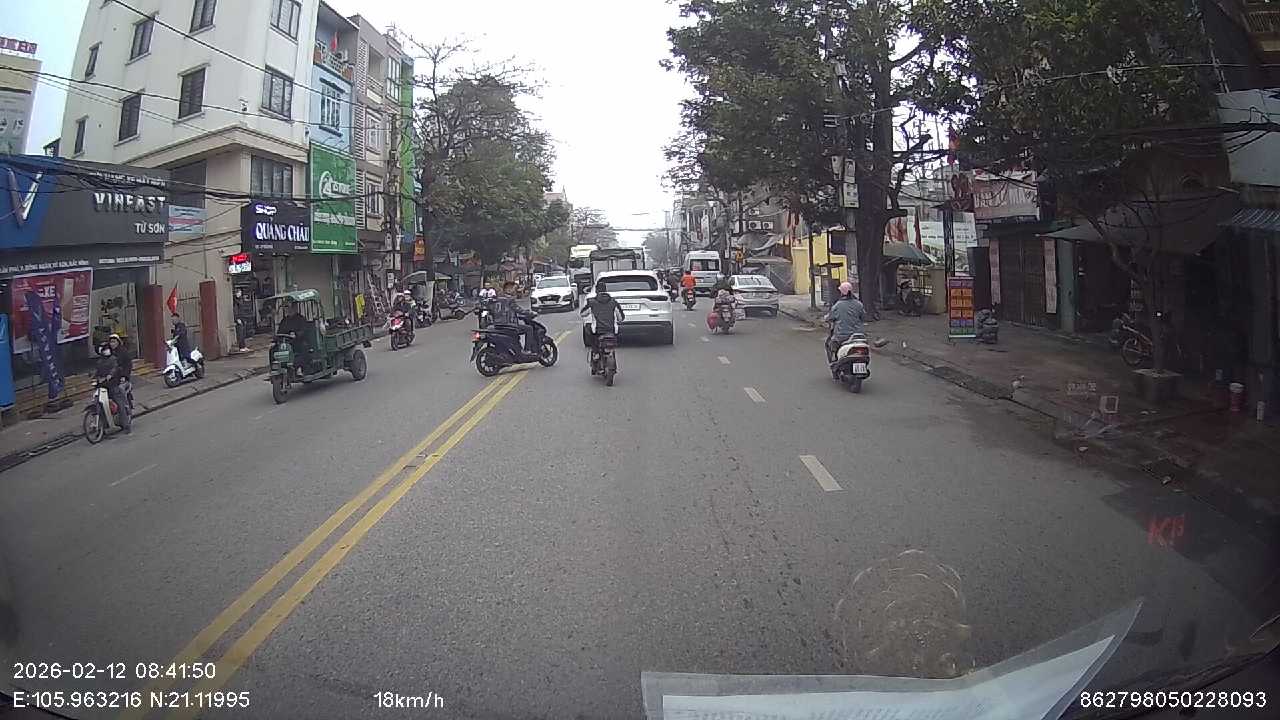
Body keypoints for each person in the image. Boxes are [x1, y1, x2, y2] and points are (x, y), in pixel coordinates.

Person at [490, 281, 537, 351]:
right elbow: (519, 310)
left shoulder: (497, 299)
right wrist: (530, 313)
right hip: (509, 325)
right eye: (514, 289)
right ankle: (527, 350)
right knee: (529, 329)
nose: (515, 291)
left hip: (497, 325)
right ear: (508, 289)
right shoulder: (509, 300)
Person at [824, 281, 867, 356]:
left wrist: (826, 318)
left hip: (842, 336)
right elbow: (863, 317)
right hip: (858, 335)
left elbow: (829, 317)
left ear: (841, 293)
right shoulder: (859, 304)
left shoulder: (838, 305)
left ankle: (835, 359)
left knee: (831, 344)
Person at [582, 281, 625, 353]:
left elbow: (583, 314)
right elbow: (621, 318)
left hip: (597, 331)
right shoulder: (613, 302)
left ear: (596, 290)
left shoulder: (591, 302)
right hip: (611, 330)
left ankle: (595, 352)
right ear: (605, 290)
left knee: (588, 329)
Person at [104, 334, 132, 434]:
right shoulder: (108, 353)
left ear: (118, 342)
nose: (112, 344)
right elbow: (101, 365)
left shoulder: (123, 352)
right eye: (111, 342)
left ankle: (126, 425)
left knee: (120, 400)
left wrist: (124, 376)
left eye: (114, 342)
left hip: (120, 380)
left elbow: (128, 365)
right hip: (109, 381)